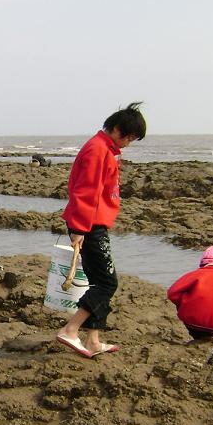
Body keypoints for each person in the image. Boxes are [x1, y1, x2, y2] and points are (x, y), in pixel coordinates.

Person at [55, 102, 146, 358]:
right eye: (128, 137)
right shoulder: (97, 150)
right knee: (107, 282)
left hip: (94, 222)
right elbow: (85, 192)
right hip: (89, 224)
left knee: (98, 280)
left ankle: (93, 340)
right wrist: (79, 229)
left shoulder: (106, 149)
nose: (129, 142)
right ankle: (70, 330)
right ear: (116, 128)